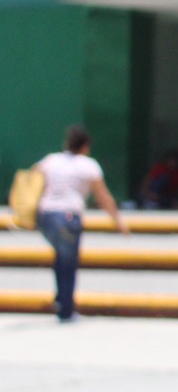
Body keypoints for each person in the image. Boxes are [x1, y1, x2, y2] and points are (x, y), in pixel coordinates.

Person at [34, 126, 130, 322]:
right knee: (69, 263)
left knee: (61, 258)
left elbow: (31, 181)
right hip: (68, 218)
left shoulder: (51, 161)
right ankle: (66, 309)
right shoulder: (88, 165)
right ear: (85, 147)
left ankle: (61, 299)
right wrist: (118, 221)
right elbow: (102, 196)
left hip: (46, 217)